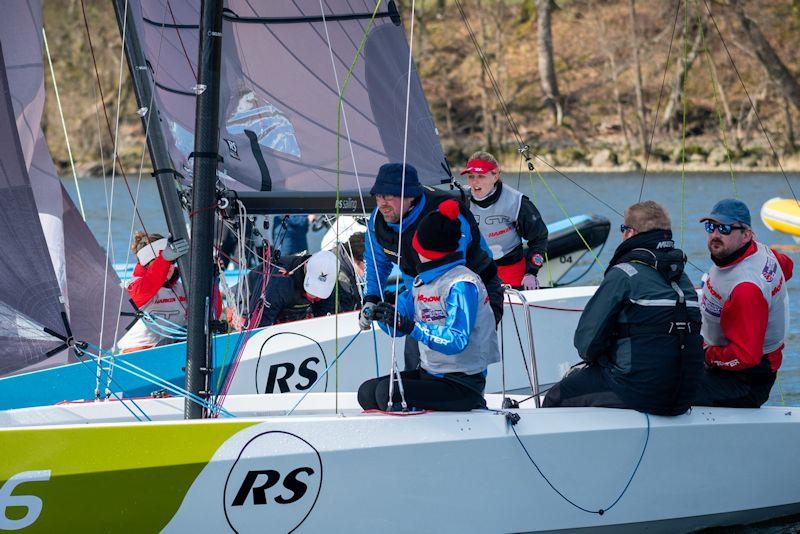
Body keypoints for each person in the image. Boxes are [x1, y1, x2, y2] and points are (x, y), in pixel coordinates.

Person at [543, 201, 703, 416]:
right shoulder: (683, 279)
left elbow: (586, 343)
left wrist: (600, 361)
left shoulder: (624, 273)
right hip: (685, 394)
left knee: (558, 395)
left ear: (630, 233)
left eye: (623, 229)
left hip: (640, 391)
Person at [358, 199, 500, 411]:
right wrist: (384, 313)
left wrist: (411, 327)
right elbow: (396, 328)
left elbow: (456, 340)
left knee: (386, 394)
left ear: (426, 251)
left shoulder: (461, 284)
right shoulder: (422, 280)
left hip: (462, 383)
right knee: (367, 392)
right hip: (431, 374)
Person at [359, 162, 503, 371]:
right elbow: (376, 263)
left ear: (411, 195)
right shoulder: (377, 221)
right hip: (422, 290)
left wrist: (413, 315)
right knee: (416, 354)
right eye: (378, 196)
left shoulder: (442, 217)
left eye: (389, 196)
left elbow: (451, 271)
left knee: (458, 354)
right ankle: (424, 396)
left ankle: (465, 395)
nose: (382, 203)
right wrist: (372, 299)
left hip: (470, 288)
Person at [695, 199, 793, 408]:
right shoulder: (761, 251)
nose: (715, 235)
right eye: (710, 227)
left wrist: (706, 355)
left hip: (746, 381)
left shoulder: (746, 289)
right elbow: (787, 267)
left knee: (668, 388)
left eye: (725, 228)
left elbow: (746, 357)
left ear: (746, 235)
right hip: (736, 364)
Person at [462, 151, 548, 289]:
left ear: (495, 175)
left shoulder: (516, 201)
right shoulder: (461, 199)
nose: (474, 182)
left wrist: (531, 272)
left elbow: (539, 237)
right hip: (476, 268)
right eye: (471, 176)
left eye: (481, 176)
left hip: (510, 267)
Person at [117, 232, 192, 353]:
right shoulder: (132, 287)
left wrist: (212, 282)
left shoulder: (182, 288)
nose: (169, 266)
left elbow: (207, 314)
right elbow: (149, 284)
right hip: (139, 356)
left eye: (172, 262)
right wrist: (164, 260)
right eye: (157, 261)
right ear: (146, 265)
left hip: (174, 350)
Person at [248, 249, 346, 327]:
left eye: (321, 291)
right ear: (306, 267)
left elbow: (327, 321)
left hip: (293, 314)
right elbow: (259, 326)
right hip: (248, 303)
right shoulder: (279, 283)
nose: (316, 297)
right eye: (314, 288)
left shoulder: (329, 277)